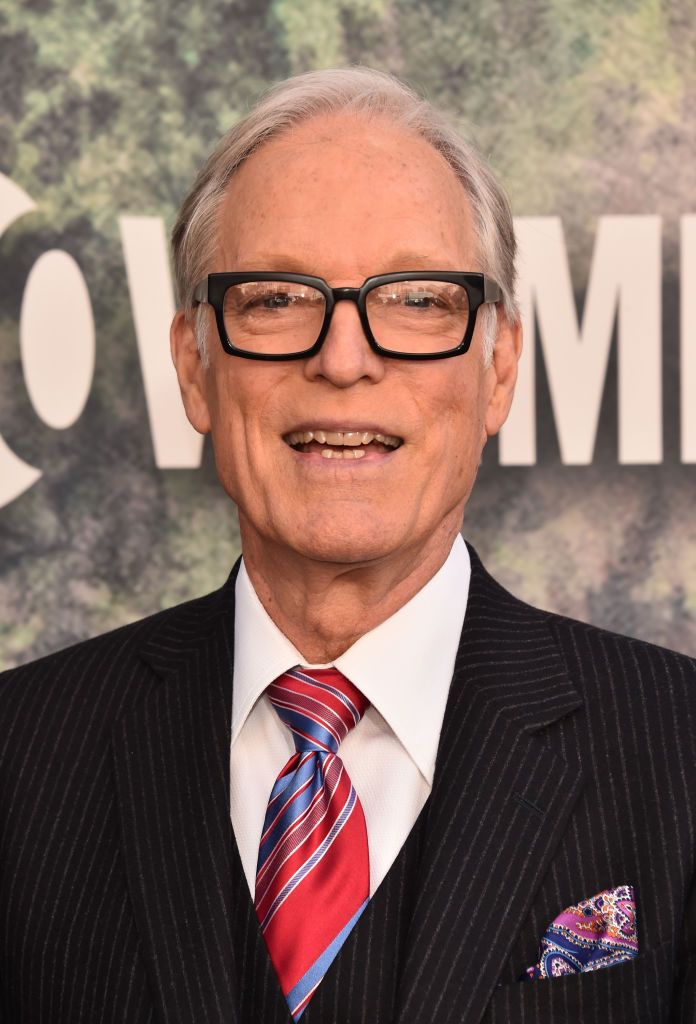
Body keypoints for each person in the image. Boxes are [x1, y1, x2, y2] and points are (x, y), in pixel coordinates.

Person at [1, 66, 694, 1024]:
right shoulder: (20, 754)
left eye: (416, 300)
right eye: (277, 299)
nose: (343, 360)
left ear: (498, 370)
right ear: (195, 370)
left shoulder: (680, 751)